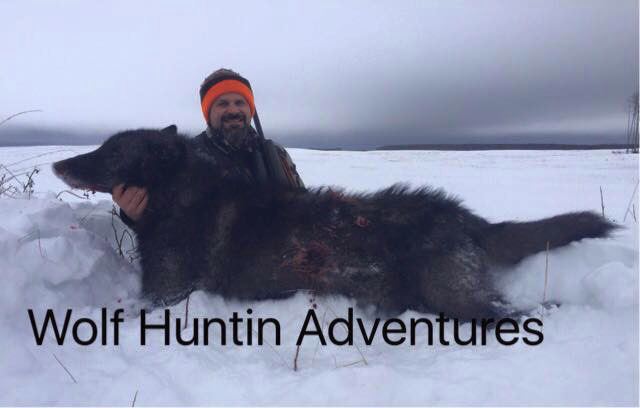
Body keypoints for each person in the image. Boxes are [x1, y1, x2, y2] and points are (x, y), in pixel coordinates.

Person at [113, 68, 305, 226]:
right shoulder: (185, 157)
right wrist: (135, 214)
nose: (233, 110)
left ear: (250, 109)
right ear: (208, 113)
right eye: (222, 104)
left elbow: (303, 203)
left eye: (240, 102)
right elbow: (161, 219)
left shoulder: (276, 154)